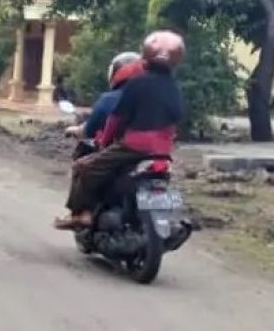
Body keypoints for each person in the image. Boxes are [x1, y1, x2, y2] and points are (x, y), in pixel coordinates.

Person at [56, 31, 186, 229]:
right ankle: (165, 220)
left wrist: (103, 142)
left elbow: (116, 120)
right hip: (162, 151)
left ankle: (81, 213)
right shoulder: (173, 87)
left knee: (83, 166)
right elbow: (178, 117)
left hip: (133, 147)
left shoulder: (135, 85)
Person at [65, 52, 143, 143]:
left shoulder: (109, 99)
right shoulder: (154, 96)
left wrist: (75, 130)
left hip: (121, 152)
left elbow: (88, 132)